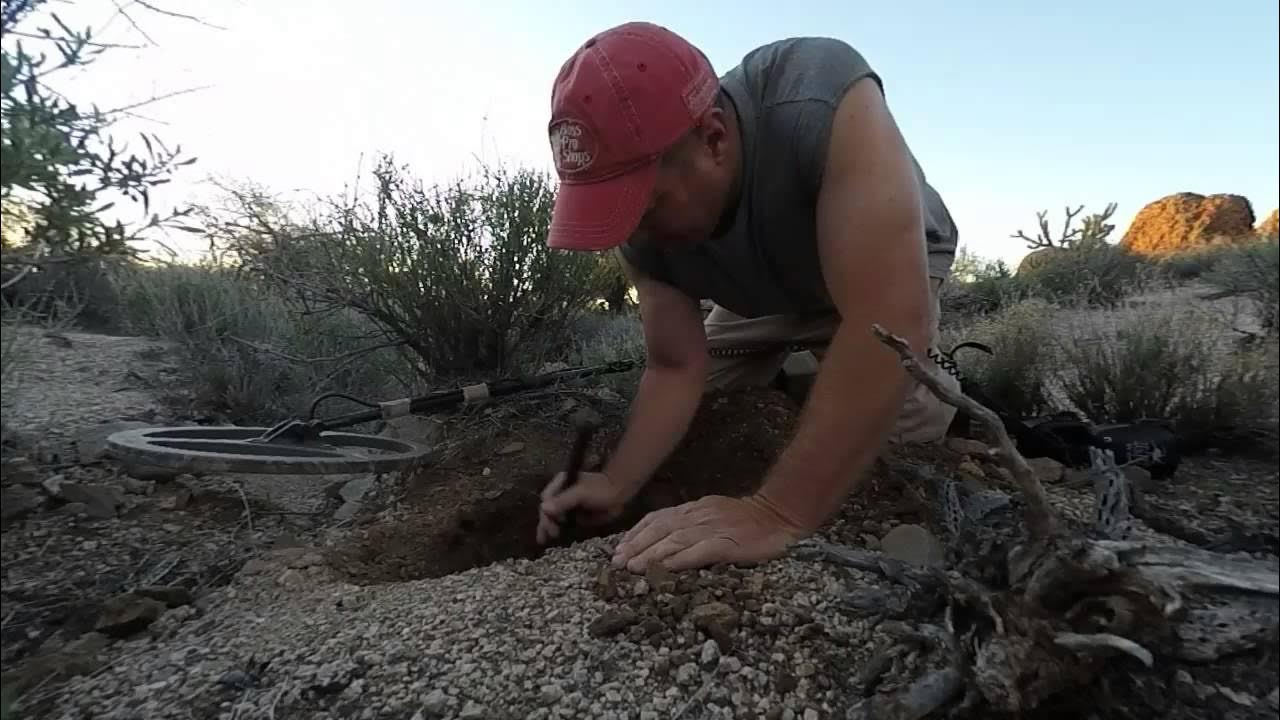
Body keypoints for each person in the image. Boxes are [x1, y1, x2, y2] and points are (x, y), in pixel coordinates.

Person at [534, 21, 962, 574]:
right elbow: (674, 364)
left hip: (882, 271)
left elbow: (889, 322)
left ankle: (923, 381)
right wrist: (618, 481)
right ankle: (813, 369)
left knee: (905, 426)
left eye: (643, 205)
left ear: (714, 138)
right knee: (710, 404)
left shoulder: (820, 94)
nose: (630, 232)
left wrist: (776, 511)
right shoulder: (643, 226)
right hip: (762, 285)